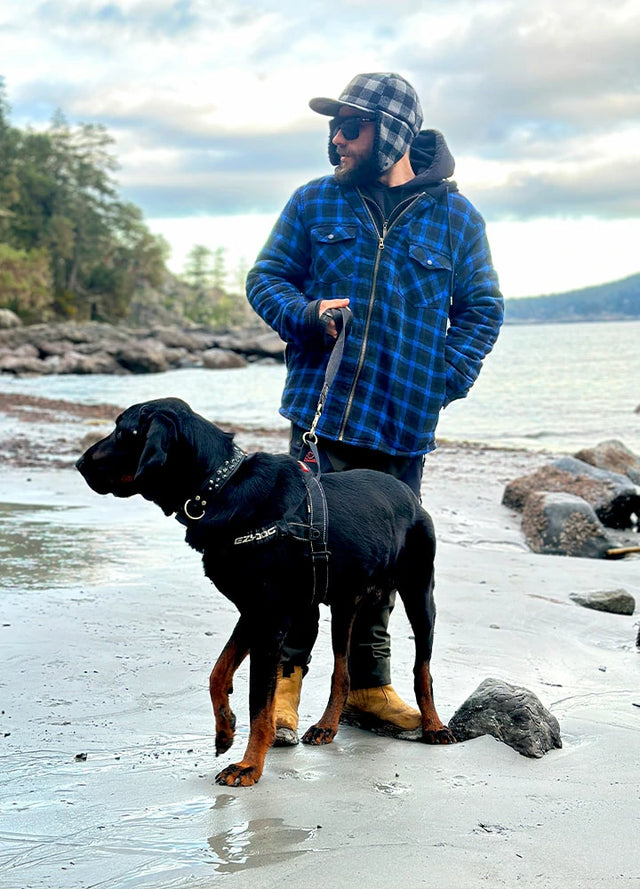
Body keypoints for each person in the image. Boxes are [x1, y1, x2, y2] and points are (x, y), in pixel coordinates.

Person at [246, 72, 503, 745]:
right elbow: (265, 277)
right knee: (302, 552)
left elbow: (482, 309)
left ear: (392, 132)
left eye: (350, 126)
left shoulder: (458, 219)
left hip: (403, 425)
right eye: (334, 126)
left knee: (383, 559)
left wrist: (441, 378)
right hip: (321, 412)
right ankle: (283, 689)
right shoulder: (313, 203)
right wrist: (304, 314)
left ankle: (366, 688)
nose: (336, 138)